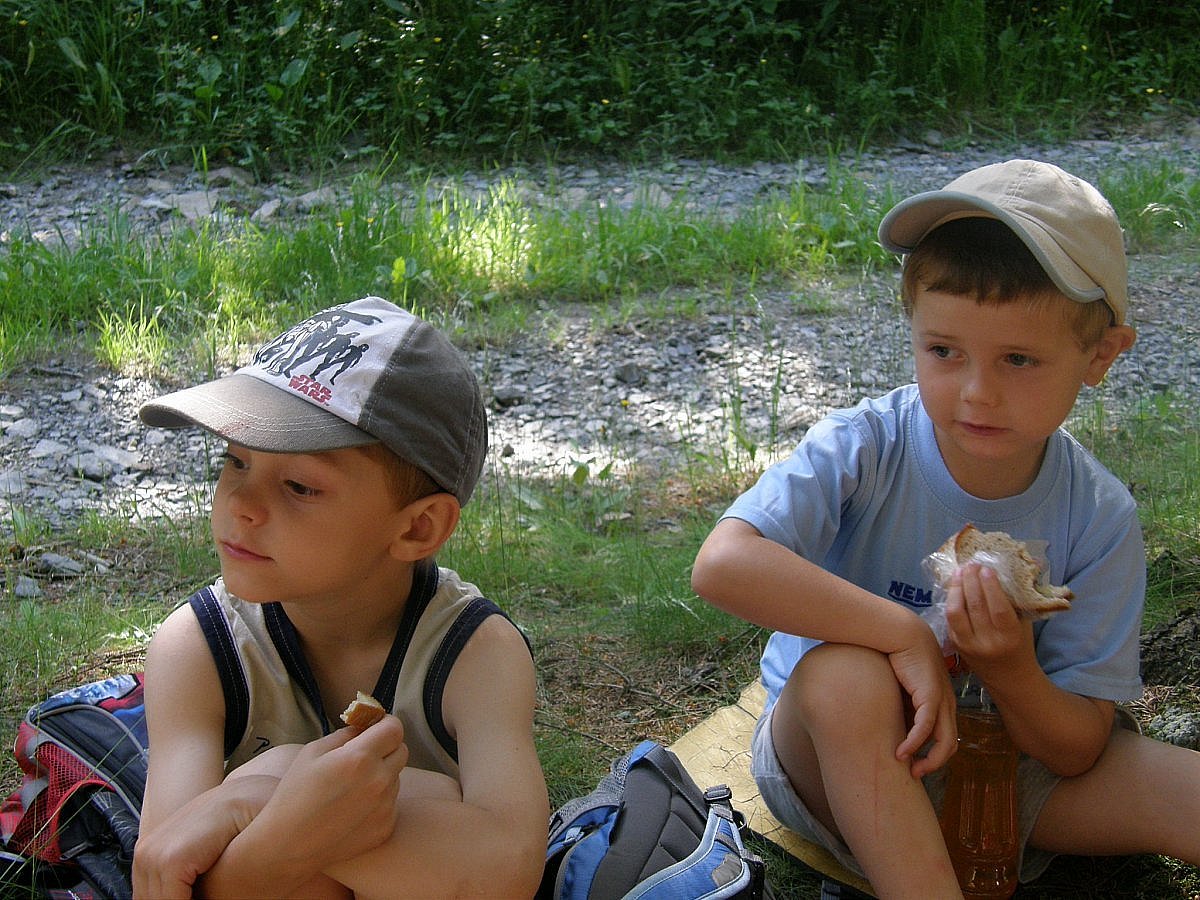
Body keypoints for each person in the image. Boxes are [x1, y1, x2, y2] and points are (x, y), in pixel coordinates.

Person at [691, 160, 1200, 898]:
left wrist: (1011, 667)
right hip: (845, 761)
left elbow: (1078, 749)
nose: (977, 392)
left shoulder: (1099, 515)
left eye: (1018, 359)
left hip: (1007, 775)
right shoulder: (867, 446)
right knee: (844, 674)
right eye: (943, 352)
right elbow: (722, 565)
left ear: (1099, 356)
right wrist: (903, 635)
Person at [131, 296, 549, 898]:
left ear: (417, 527)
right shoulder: (200, 646)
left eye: (299, 486)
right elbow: (160, 876)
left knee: (380, 791)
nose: (241, 505)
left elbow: (511, 866)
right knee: (420, 803)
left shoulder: (474, 652)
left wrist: (258, 800)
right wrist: (296, 816)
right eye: (235, 461)